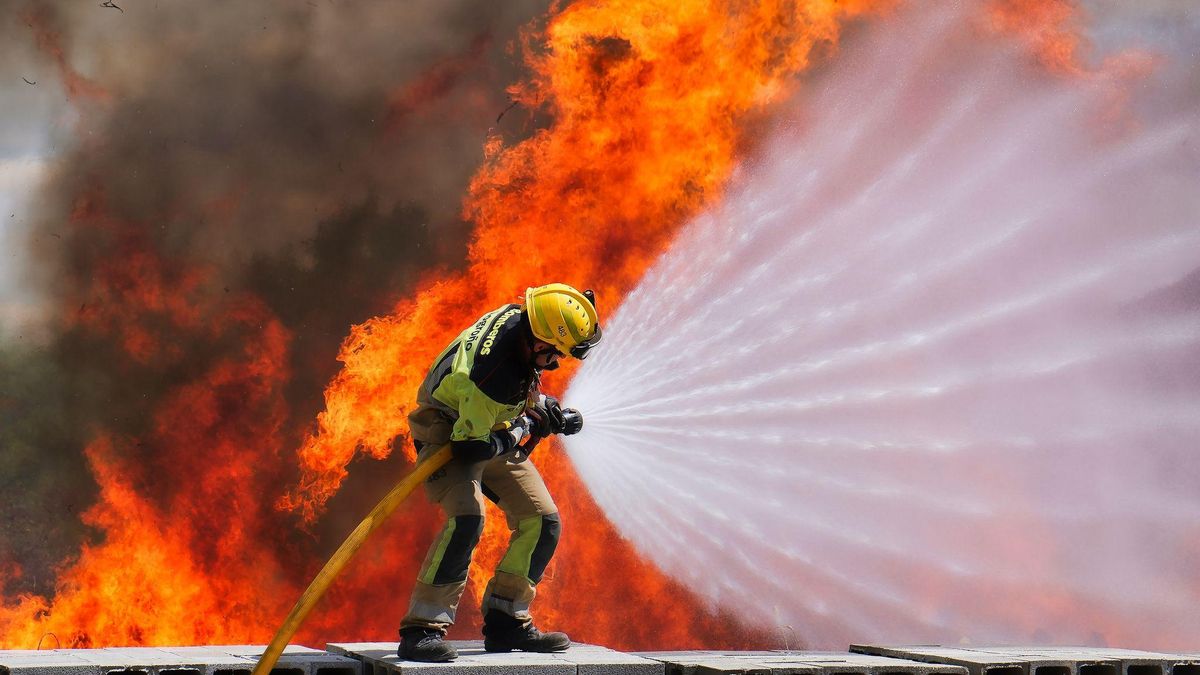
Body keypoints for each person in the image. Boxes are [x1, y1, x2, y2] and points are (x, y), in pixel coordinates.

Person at [397, 283, 602, 662]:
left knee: (542, 520)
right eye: (555, 353)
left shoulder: (520, 320)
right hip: (447, 431)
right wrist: (526, 425)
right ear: (538, 341)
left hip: (486, 421)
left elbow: (515, 387)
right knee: (467, 519)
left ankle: (507, 620)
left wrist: (542, 407)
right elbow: (471, 448)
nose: (555, 363)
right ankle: (421, 629)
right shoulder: (490, 376)